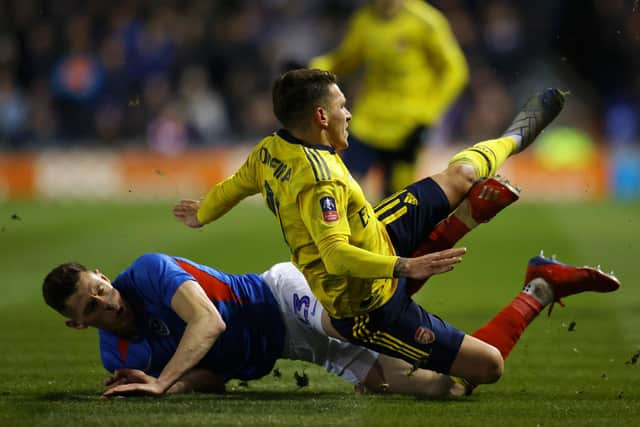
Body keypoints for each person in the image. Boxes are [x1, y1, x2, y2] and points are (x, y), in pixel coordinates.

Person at [172, 68, 611, 390]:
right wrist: (405, 266)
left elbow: (234, 186)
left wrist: (204, 213)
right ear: (321, 116)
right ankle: (535, 288)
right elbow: (337, 256)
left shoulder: (269, 150)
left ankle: (514, 139)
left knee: (460, 176)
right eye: (343, 105)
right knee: (488, 367)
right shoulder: (319, 180)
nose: (350, 112)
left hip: (379, 232)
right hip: (367, 305)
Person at [42, 253, 619, 398]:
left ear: (102, 273)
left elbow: (210, 324)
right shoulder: (119, 358)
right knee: (461, 381)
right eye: (91, 309)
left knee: (349, 323)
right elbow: (211, 377)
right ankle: (539, 287)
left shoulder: (147, 272)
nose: (107, 304)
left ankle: (435, 238)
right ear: (77, 326)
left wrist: (163, 381)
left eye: (100, 290)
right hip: (296, 348)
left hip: (285, 294)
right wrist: (163, 391)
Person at [309, 0, 469, 196]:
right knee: (344, 187)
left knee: (395, 200)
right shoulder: (364, 20)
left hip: (408, 125)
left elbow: (455, 70)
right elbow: (346, 60)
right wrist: (314, 67)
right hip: (369, 121)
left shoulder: (426, 21)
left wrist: (429, 114)